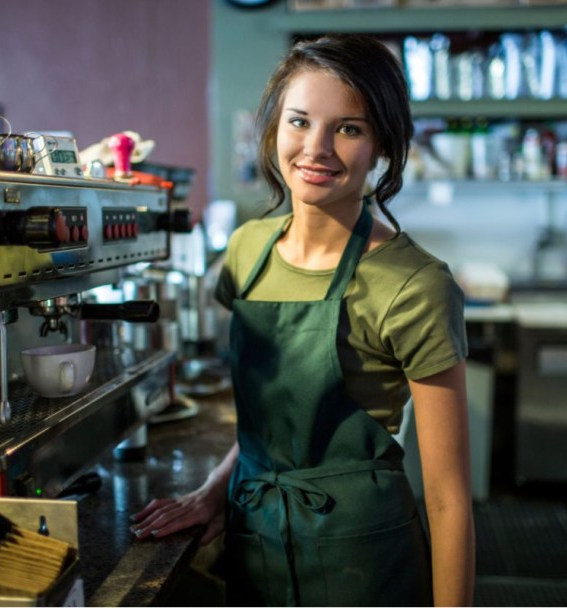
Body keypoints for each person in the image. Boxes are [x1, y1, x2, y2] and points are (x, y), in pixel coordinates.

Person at [130, 33, 474, 607]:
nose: (316, 148)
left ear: (382, 144)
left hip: (362, 562)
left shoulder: (416, 285)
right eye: (299, 121)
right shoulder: (246, 251)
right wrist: (216, 491)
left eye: (349, 128)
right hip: (255, 539)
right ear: (272, 130)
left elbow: (448, 498)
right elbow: (274, 424)